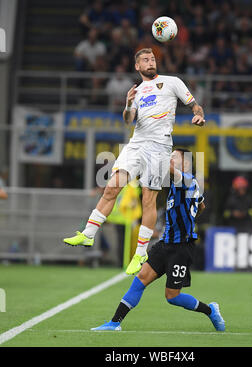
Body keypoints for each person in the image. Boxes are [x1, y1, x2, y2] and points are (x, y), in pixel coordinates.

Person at [63, 48, 205, 276]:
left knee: (148, 199)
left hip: (160, 146)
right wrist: (128, 104)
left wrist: (199, 115)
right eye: (145, 60)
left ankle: (140, 253)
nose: (151, 62)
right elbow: (129, 120)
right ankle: (88, 234)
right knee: (111, 187)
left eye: (153, 59)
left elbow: (195, 105)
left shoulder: (172, 82)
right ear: (137, 67)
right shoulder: (136, 91)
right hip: (136, 144)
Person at [90, 148, 225, 332]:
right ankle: (114, 323)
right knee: (140, 279)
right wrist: (189, 215)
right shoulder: (190, 184)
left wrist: (147, 150)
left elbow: (169, 169)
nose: (170, 158)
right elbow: (201, 204)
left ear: (185, 162)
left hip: (181, 248)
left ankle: (210, 310)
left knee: (172, 297)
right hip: (165, 244)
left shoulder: (184, 179)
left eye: (174, 156)